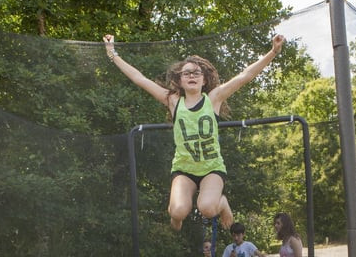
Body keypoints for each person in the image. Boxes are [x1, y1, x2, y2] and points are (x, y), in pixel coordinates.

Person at [103, 33, 286, 231]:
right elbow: (140, 79)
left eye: (196, 73)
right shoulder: (173, 101)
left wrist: (273, 52)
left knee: (207, 208)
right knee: (178, 211)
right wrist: (112, 54)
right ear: (180, 80)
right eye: (186, 73)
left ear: (204, 80)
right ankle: (176, 216)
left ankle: (221, 203)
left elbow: (245, 76)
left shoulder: (214, 99)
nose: (191, 76)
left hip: (211, 168)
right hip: (184, 169)